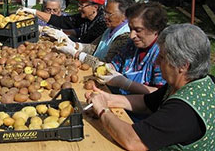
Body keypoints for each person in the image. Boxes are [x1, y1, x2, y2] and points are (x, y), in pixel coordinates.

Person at [85, 23, 215, 151]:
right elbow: (147, 103)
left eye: (162, 57)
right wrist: (108, 99)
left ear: (183, 65)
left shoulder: (183, 110)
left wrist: (103, 110)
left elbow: (133, 141)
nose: (157, 62)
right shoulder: (194, 82)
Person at [95, 2, 167, 95]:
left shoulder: (162, 55)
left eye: (138, 30)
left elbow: (160, 94)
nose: (132, 35)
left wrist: (126, 84)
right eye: (130, 29)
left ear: (155, 30)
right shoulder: (131, 45)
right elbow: (116, 64)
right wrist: (107, 68)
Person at [55, 0, 135, 67]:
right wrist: (74, 45)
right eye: (105, 12)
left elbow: (106, 65)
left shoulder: (125, 36)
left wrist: (76, 54)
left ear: (125, 16)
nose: (105, 17)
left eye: (109, 14)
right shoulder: (110, 29)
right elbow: (94, 47)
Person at [21, 0, 107, 43]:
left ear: (95, 7)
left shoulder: (102, 23)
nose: (78, 8)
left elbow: (87, 44)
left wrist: (65, 38)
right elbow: (62, 21)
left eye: (82, 5)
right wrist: (33, 11)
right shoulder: (84, 18)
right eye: (78, 5)